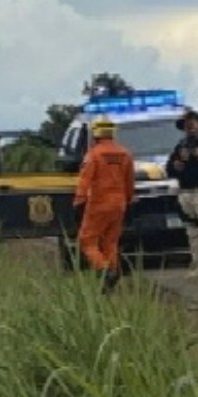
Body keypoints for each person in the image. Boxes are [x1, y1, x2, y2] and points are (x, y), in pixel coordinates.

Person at [72, 115, 135, 293]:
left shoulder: (93, 154)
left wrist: (78, 202)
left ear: (95, 133)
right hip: (119, 204)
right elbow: (129, 181)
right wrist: (128, 201)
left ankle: (103, 269)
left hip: (99, 203)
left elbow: (84, 181)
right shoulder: (125, 154)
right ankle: (111, 278)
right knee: (110, 242)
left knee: (87, 241)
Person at [166, 108, 198, 280]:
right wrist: (176, 165)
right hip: (186, 192)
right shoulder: (181, 145)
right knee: (193, 232)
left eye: (193, 122)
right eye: (186, 124)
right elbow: (169, 168)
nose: (190, 126)